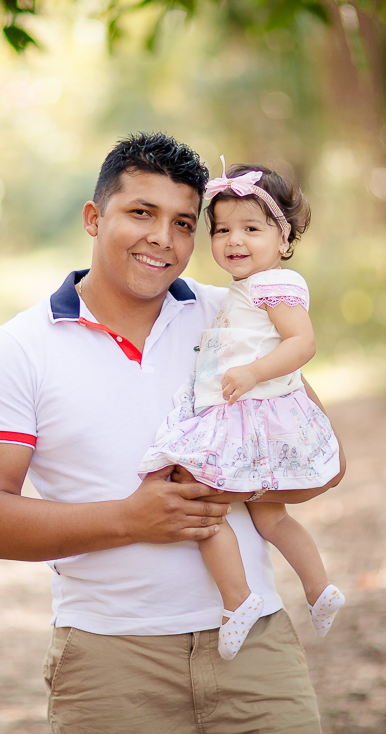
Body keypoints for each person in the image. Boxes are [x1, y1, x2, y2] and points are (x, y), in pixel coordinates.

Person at [0, 132, 345, 734]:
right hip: (111, 660)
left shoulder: (233, 314)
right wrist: (131, 519)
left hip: (257, 652)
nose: (163, 237)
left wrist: (236, 485)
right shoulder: (19, 350)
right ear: (94, 217)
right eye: (142, 213)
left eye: (184, 223)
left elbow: (325, 461)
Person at [139, 160, 344, 660]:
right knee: (270, 519)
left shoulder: (275, 285)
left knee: (197, 497)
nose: (235, 240)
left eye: (252, 229)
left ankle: (239, 600)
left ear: (283, 238)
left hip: (254, 414)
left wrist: (253, 373)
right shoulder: (248, 287)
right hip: (247, 411)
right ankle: (319, 588)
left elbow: (302, 343)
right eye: (222, 229)